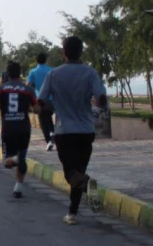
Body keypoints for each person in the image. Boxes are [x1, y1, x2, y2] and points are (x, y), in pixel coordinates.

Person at [38, 36, 107, 225]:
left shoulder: (54, 74)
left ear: (64, 53)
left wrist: (53, 105)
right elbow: (101, 98)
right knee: (79, 170)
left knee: (71, 173)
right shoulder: (90, 73)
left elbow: (42, 101)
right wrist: (98, 101)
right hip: (86, 130)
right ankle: (72, 213)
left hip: (64, 131)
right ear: (81, 52)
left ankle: (86, 186)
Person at [0, 61, 37, 198]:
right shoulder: (28, 90)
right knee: (21, 156)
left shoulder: (1, 89)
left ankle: (17, 163)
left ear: (7, 74)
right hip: (24, 128)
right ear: (20, 73)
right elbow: (36, 109)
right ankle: (18, 187)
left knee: (7, 162)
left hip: (8, 129)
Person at [27, 53, 55, 151]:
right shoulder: (51, 70)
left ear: (36, 61)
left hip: (40, 99)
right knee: (48, 116)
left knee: (43, 121)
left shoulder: (33, 72)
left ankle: (49, 141)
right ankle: (52, 132)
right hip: (52, 99)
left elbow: (28, 85)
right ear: (45, 60)